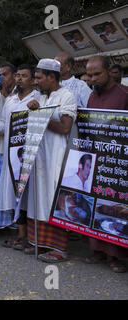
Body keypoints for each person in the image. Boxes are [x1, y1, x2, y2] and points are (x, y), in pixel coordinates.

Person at [0, 64, 40, 250]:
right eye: (18, 76)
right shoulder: (11, 100)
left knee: (28, 196)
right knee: (15, 195)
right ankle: (21, 235)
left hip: (30, 155)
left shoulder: (38, 98)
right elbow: (3, 126)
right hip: (11, 156)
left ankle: (30, 237)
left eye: (24, 76)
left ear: (32, 79)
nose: (19, 79)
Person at [25, 58, 77, 263]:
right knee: (38, 198)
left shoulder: (67, 96)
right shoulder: (42, 97)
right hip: (40, 156)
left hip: (57, 156)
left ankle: (59, 249)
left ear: (51, 77)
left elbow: (65, 128)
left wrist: (41, 116)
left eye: (39, 78)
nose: (36, 82)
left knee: (54, 198)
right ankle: (39, 242)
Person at [85, 55, 128, 273]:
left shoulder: (124, 95)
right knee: (98, 204)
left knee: (116, 207)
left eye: (97, 74)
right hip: (96, 159)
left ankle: (116, 256)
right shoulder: (92, 97)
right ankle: (98, 251)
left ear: (109, 71)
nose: (92, 79)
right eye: (89, 75)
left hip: (118, 164)